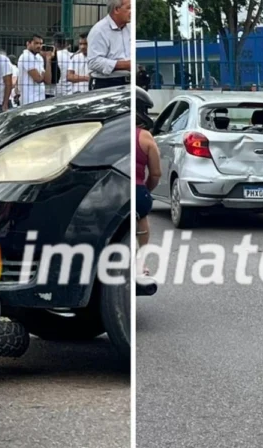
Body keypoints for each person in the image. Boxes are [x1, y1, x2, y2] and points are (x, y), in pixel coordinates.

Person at [134, 87, 160, 275]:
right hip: (137, 191)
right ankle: (140, 263)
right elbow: (156, 174)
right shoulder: (145, 137)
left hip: (109, 190)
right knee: (142, 217)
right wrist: (145, 190)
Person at [87, 0, 130, 89]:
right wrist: (124, 65)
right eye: (129, 8)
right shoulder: (99, 30)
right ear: (116, 10)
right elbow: (94, 62)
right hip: (107, 83)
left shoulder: (130, 28)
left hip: (130, 82)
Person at [17, 35, 51, 106]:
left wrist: (48, 59)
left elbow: (48, 80)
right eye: (36, 43)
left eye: (41, 44)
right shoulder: (25, 56)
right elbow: (38, 79)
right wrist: (42, 75)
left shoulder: (39, 58)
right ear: (28, 43)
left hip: (40, 98)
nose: (39, 46)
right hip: (29, 100)